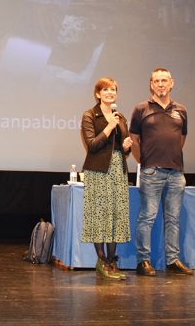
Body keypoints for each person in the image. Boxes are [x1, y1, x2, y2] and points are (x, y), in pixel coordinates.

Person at [129, 68, 194, 276]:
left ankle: (173, 260)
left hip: (176, 172)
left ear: (172, 83)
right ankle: (143, 261)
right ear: (151, 84)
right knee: (147, 217)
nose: (160, 84)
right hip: (151, 172)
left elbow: (181, 139)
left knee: (173, 219)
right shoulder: (141, 109)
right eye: (156, 81)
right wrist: (144, 161)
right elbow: (134, 138)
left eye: (164, 80)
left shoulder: (181, 110)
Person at [80, 77, 134, 280]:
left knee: (116, 215)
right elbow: (92, 145)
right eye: (106, 90)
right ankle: (101, 260)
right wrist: (109, 127)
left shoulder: (120, 117)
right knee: (99, 215)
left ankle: (112, 261)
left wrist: (127, 147)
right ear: (97, 94)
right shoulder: (89, 115)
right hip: (98, 172)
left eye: (113, 90)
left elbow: (122, 148)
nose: (110, 93)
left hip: (117, 170)